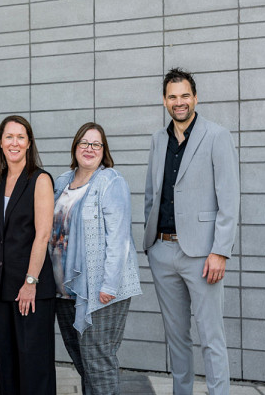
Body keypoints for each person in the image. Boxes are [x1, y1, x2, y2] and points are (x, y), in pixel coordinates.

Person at [143, 68, 239, 395]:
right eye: (172, 96)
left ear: (195, 98)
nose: (179, 102)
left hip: (203, 254)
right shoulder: (158, 140)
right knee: (177, 338)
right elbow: (151, 195)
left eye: (185, 95)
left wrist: (220, 251)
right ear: (165, 101)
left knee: (211, 337)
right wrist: (151, 243)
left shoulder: (216, 136)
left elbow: (229, 199)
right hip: (162, 251)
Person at [50, 122, 142, 395]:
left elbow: (119, 238)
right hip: (64, 290)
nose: (89, 148)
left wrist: (109, 286)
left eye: (96, 144)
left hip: (100, 288)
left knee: (98, 361)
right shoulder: (61, 182)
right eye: (84, 143)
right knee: (83, 361)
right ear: (75, 147)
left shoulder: (111, 181)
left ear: (104, 150)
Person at [0, 115, 56, 394]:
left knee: (34, 363)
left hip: (31, 285)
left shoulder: (40, 180)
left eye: (20, 137)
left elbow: (43, 234)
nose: (14, 142)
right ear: (0, 143)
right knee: (8, 363)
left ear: (29, 143)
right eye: (9, 137)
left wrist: (30, 282)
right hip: (1, 285)